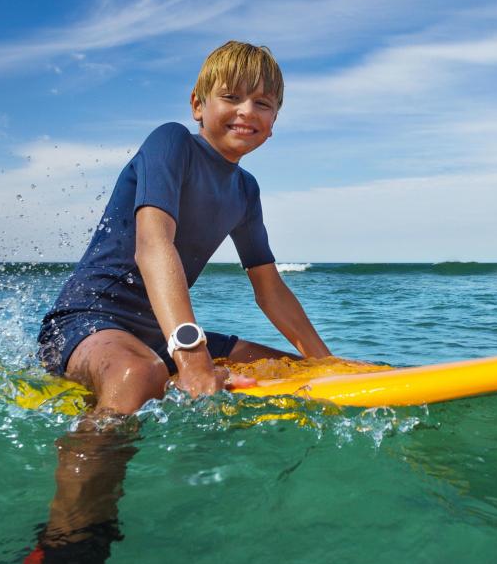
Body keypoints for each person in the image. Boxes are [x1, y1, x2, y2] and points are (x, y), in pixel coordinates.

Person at [36, 40, 333, 416]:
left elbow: (270, 289)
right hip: (86, 324)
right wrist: (193, 360)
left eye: (263, 103)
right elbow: (153, 244)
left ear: (273, 123)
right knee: (138, 373)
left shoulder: (245, 190)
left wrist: (327, 365)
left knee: (291, 371)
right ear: (197, 105)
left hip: (160, 335)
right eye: (231, 96)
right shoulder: (171, 142)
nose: (247, 111)